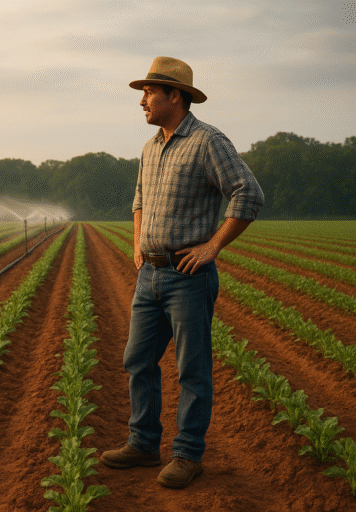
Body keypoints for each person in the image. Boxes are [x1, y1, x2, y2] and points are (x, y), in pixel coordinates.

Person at [99, 56, 264, 489]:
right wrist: (137, 246)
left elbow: (248, 192)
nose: (142, 101)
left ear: (176, 96)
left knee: (192, 369)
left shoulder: (208, 142)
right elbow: (137, 200)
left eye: (149, 92)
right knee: (137, 360)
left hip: (187, 278)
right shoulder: (151, 146)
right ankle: (142, 443)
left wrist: (212, 246)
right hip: (149, 276)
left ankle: (188, 455)